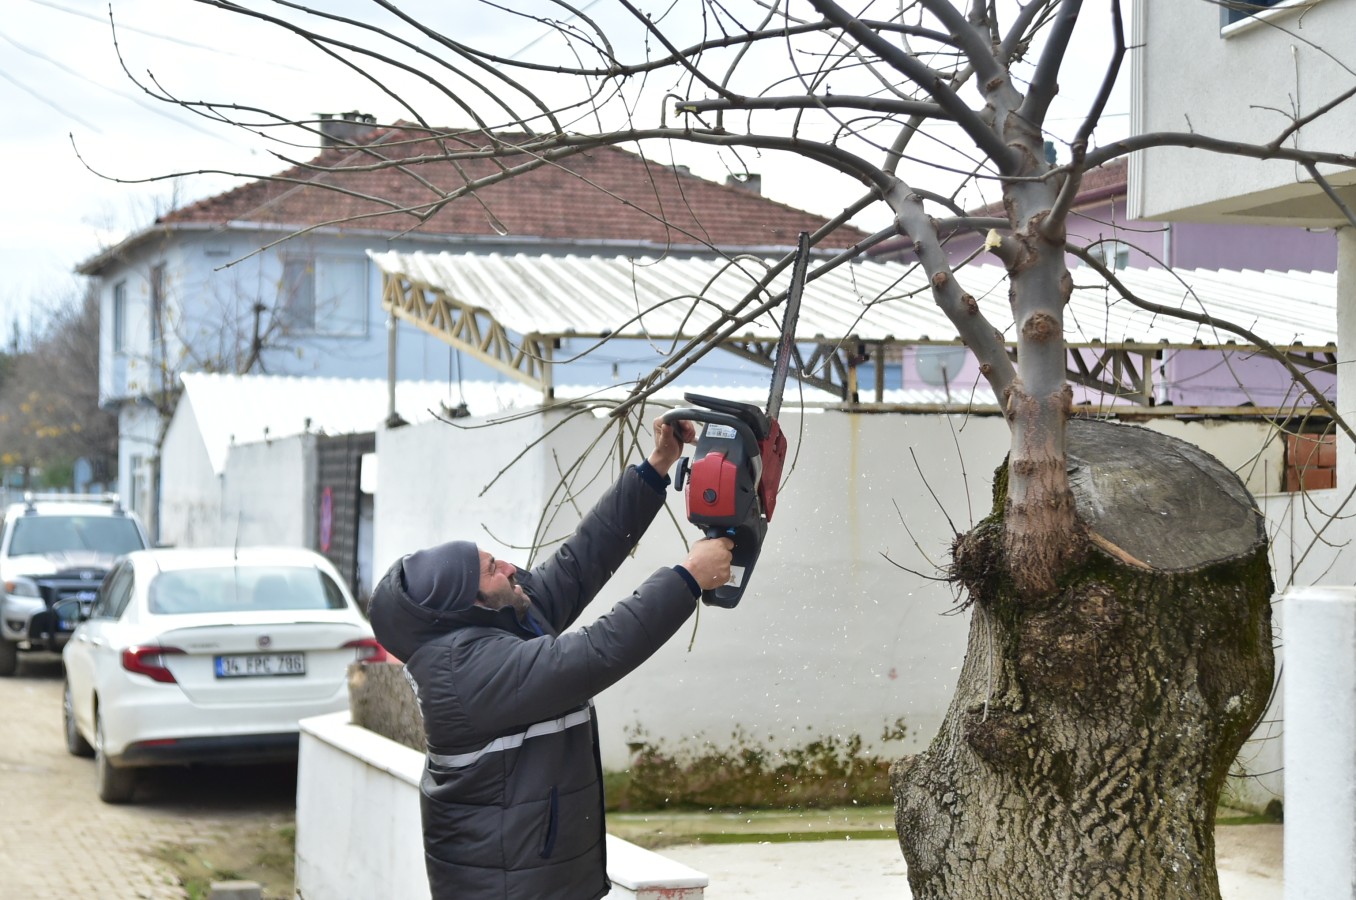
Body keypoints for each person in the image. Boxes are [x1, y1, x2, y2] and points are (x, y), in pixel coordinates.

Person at [367, 416, 734, 900]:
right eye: (491, 568)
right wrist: (687, 578)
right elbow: (595, 653)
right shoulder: (467, 673)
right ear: (468, 603)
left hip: (536, 878)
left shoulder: (496, 617)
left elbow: (580, 561)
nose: (510, 565)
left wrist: (656, 466)